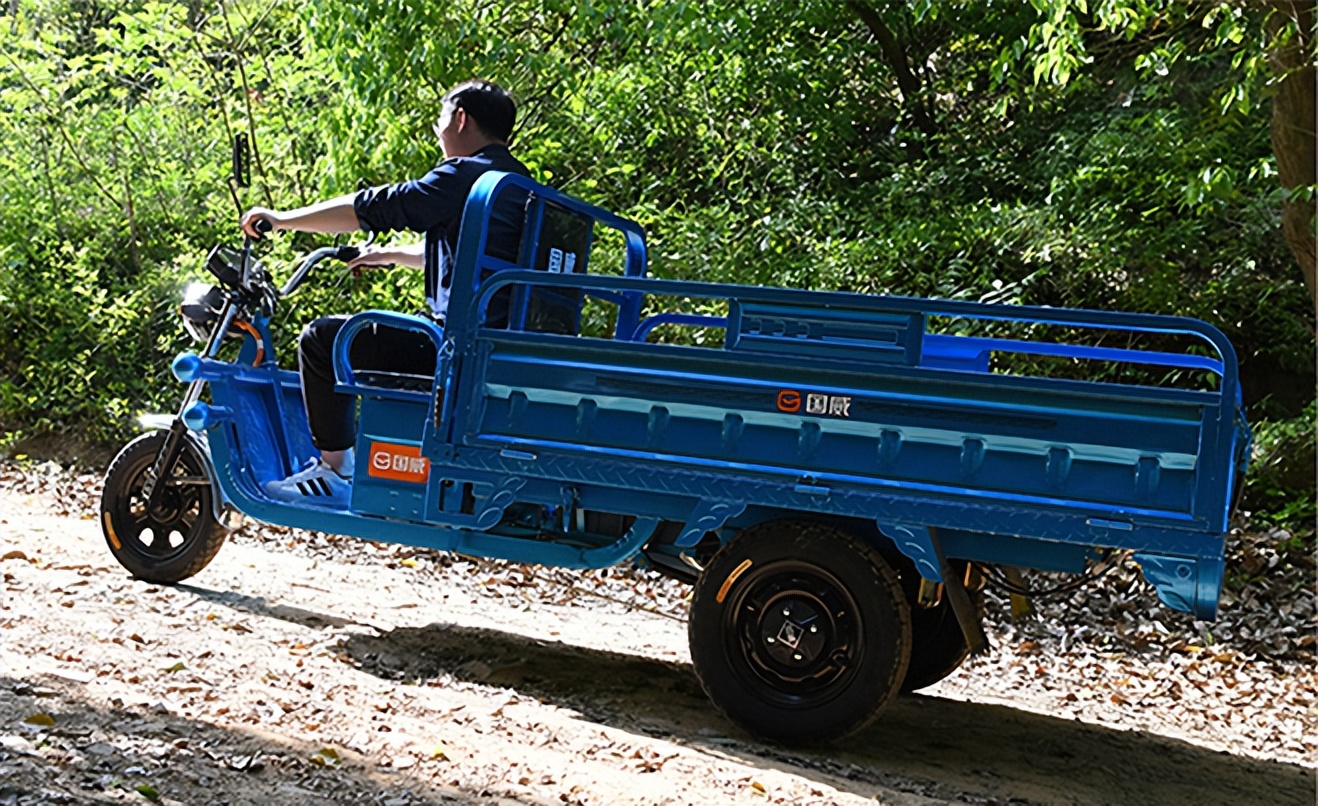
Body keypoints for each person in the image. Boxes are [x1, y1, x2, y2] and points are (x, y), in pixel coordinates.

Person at [239, 79, 531, 506]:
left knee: (323, 340)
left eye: (439, 119)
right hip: (498, 347)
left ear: (460, 119)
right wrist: (392, 255)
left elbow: (373, 207)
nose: (437, 131)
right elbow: (472, 256)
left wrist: (282, 219)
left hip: (455, 350)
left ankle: (334, 473)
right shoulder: (518, 184)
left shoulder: (465, 176)